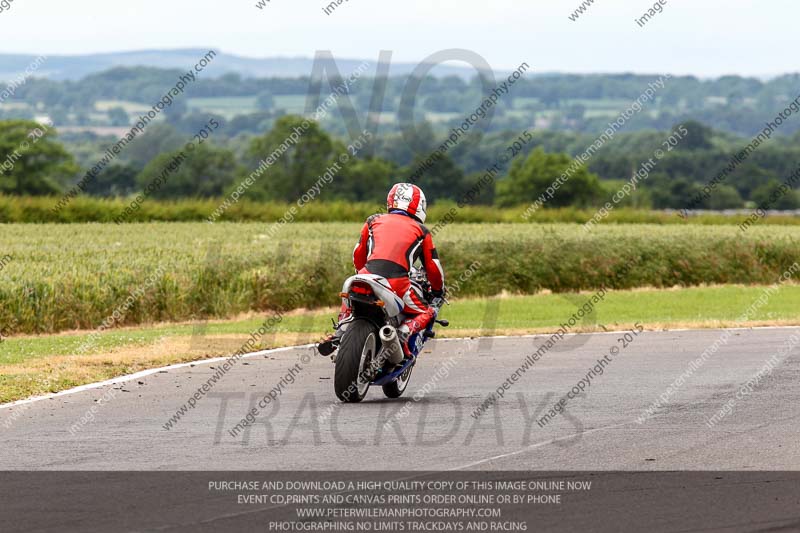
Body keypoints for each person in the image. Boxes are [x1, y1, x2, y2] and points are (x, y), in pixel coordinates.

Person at [318, 183, 445, 357]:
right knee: (428, 311)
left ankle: (340, 330)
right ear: (419, 206)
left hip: (366, 275)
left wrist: (361, 272)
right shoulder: (422, 231)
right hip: (397, 284)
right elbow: (433, 267)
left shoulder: (373, 220)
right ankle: (404, 332)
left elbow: (358, 254)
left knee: (352, 294)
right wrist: (438, 291)